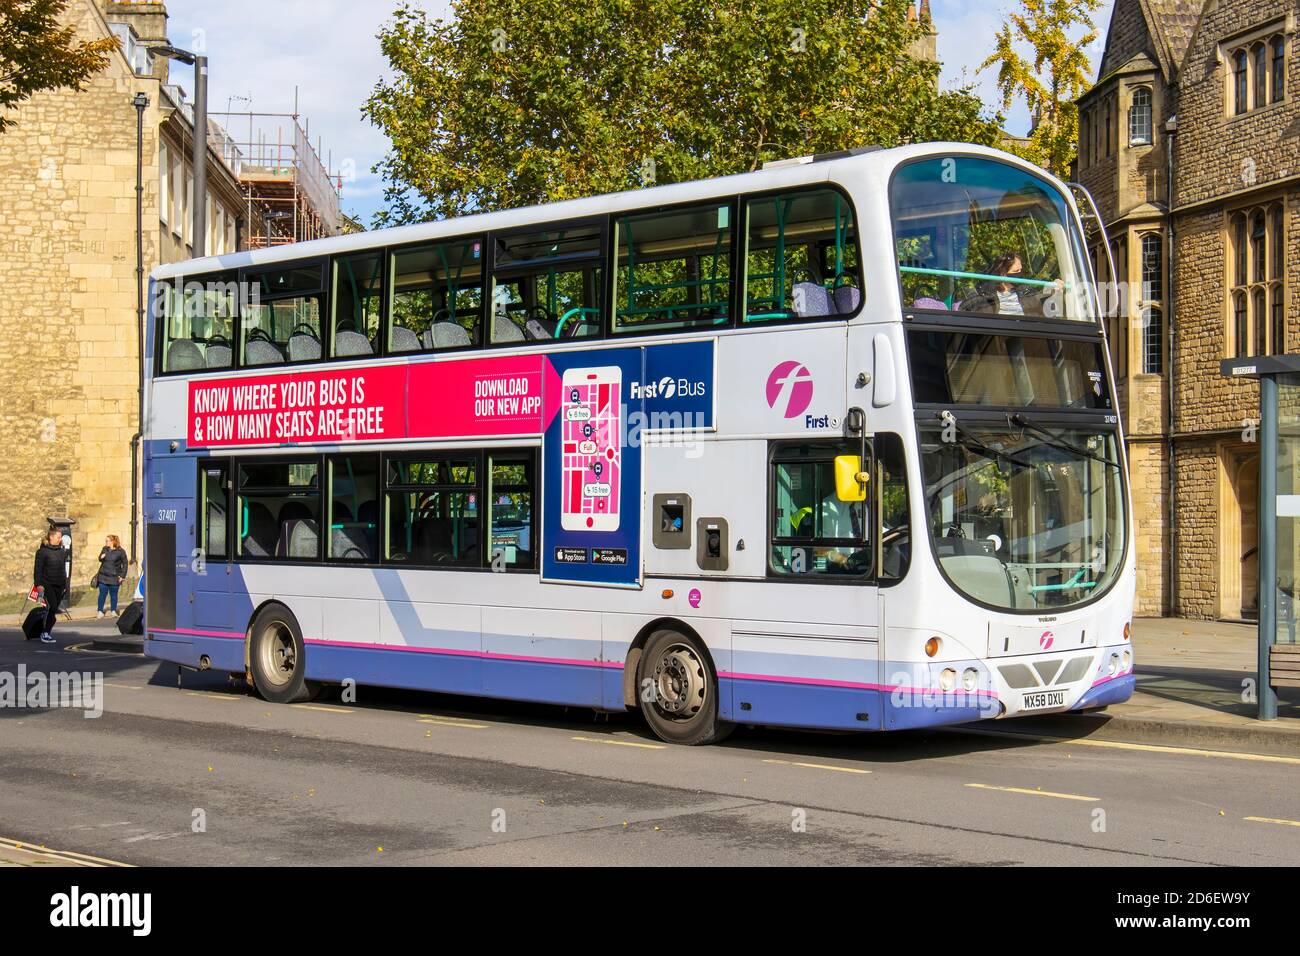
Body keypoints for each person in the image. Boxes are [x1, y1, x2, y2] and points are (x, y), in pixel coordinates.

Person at [32, 527, 67, 644]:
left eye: (61, 537)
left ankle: (46, 631)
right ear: (51, 537)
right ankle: (45, 633)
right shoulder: (42, 552)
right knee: (51, 607)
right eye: (58, 537)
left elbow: (63, 569)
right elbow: (38, 570)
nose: (60, 539)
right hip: (47, 584)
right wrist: (39, 585)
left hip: (59, 584)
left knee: (54, 610)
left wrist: (65, 584)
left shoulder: (62, 551)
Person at [95, 534, 128, 618]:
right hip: (103, 576)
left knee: (114, 595)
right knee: (102, 594)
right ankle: (100, 611)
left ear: (113, 542)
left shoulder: (120, 551)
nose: (106, 542)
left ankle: (113, 610)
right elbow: (100, 558)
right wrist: (101, 557)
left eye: (107, 541)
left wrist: (122, 576)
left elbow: (125, 564)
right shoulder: (104, 549)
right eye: (106, 541)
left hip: (114, 577)